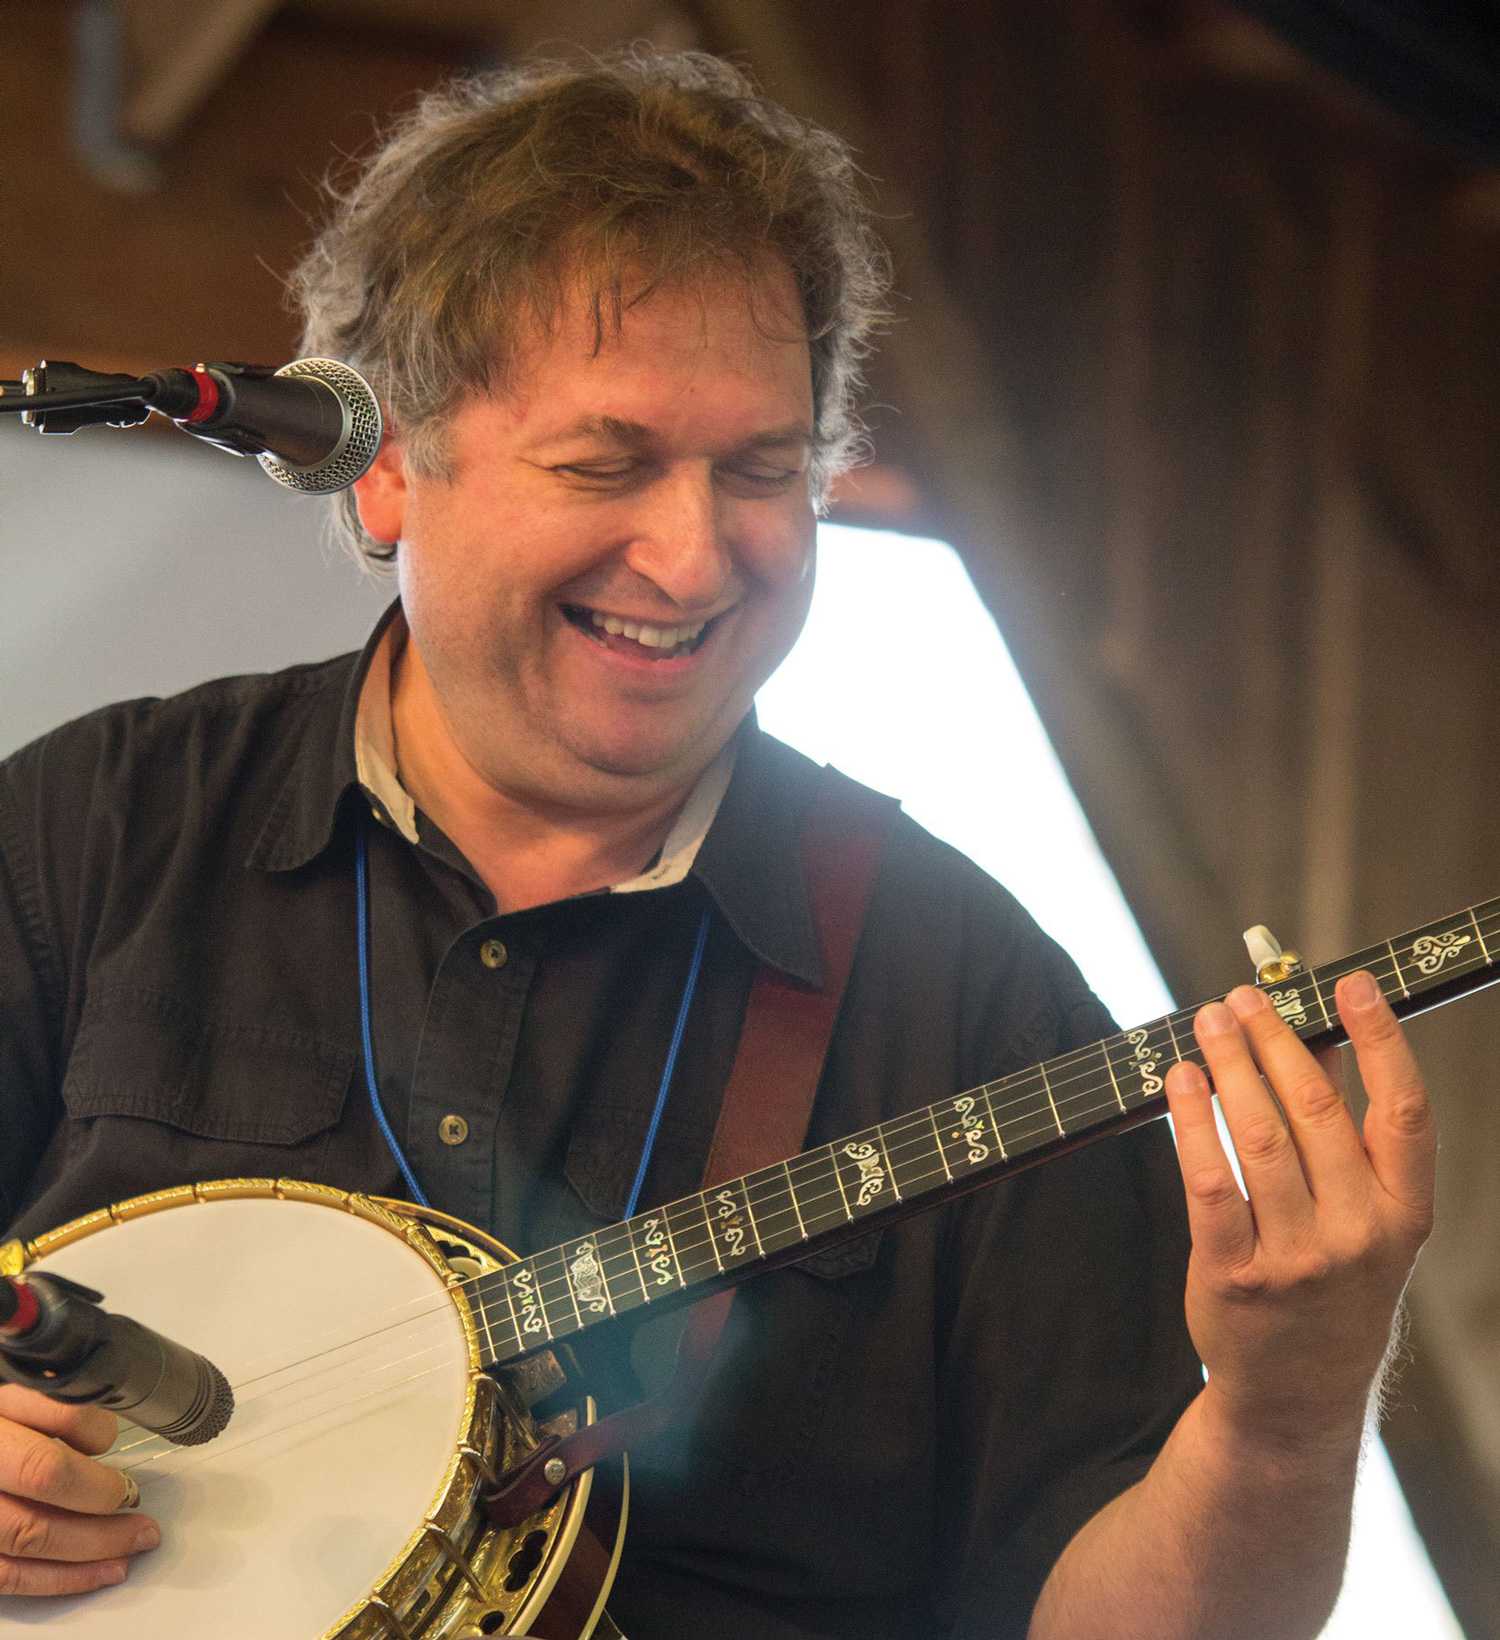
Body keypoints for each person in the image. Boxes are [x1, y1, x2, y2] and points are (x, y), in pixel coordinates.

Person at [0, 49, 1433, 1638]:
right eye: (604, 462)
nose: (692, 558)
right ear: (387, 458)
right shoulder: (98, 829)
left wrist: (1286, 1415)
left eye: (761, 469)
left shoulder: (969, 992)